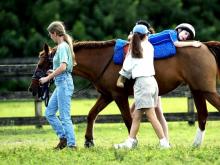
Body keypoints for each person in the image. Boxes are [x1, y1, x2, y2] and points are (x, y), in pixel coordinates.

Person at [114, 24, 170, 149]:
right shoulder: (149, 46)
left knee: (151, 115)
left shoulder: (134, 47)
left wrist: (121, 78)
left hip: (142, 84)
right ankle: (130, 142)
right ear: (146, 35)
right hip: (152, 82)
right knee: (137, 115)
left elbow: (127, 65)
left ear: (134, 35)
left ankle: (164, 142)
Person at [39, 21, 76, 150]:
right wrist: (52, 72)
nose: (50, 37)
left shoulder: (62, 47)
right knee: (49, 113)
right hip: (61, 82)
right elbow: (60, 67)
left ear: (54, 33)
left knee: (65, 116)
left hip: (64, 83)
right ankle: (63, 138)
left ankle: (72, 145)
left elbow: (63, 66)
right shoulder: (62, 47)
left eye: (50, 34)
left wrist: (48, 78)